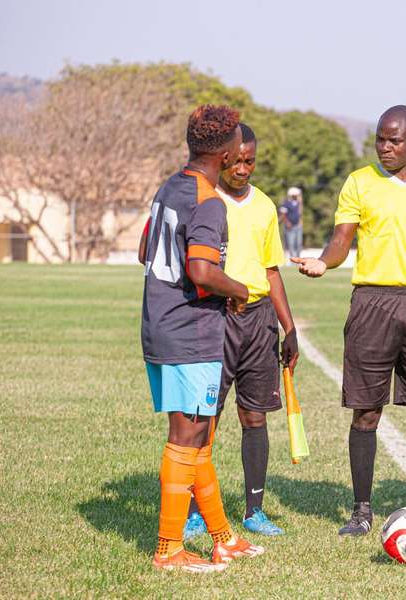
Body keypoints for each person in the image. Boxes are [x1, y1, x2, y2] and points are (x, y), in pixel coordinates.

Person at [291, 105, 406, 537]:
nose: (385, 147)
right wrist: (323, 264)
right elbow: (340, 242)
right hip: (371, 303)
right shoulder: (359, 183)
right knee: (366, 412)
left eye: (395, 140)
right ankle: (361, 510)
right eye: (381, 139)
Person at [140, 105, 265, 572]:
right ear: (229, 151)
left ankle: (222, 537)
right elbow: (201, 270)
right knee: (186, 437)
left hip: (161, 324)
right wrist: (239, 289)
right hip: (191, 331)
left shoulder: (170, 186)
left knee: (199, 438)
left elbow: (143, 250)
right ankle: (169, 548)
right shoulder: (209, 200)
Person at [181, 124, 299, 538]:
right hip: (215, 316)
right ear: (225, 158)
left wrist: (289, 328)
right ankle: (196, 511)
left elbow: (271, 271)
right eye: (238, 160)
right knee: (206, 417)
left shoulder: (266, 207)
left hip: (259, 320)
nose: (244, 169)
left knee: (254, 415)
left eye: (251, 161)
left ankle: (254, 510)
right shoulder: (206, 201)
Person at [279, 186, 303, 260]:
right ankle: (293, 260)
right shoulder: (286, 203)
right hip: (290, 227)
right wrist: (287, 222)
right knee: (291, 244)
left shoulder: (298, 203)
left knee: (299, 243)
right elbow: (283, 215)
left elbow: (300, 213)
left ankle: (298, 259)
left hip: (298, 226)